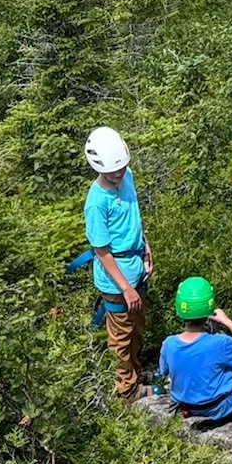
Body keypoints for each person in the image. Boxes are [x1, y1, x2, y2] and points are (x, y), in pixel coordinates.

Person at [82, 125, 153, 400]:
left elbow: (133, 216)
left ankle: (135, 370)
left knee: (137, 324)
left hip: (135, 266)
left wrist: (145, 246)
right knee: (121, 333)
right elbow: (101, 251)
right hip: (116, 279)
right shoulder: (97, 202)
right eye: (113, 171)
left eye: (121, 168)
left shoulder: (127, 176)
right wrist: (126, 288)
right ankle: (127, 389)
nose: (118, 175)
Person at [160, 277, 232, 424]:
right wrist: (226, 321)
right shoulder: (219, 342)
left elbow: (164, 371)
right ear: (210, 307)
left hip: (187, 407)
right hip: (221, 407)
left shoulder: (169, 343)